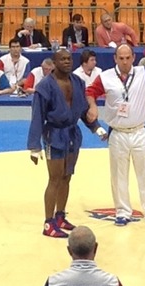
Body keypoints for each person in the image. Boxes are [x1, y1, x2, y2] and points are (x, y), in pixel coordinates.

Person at [86, 44, 145, 227]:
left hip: (140, 131)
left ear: (133, 58)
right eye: (121, 58)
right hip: (118, 133)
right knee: (118, 176)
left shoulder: (144, 73)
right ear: (115, 58)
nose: (124, 62)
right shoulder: (105, 77)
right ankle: (122, 212)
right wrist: (92, 106)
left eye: (128, 58)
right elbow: (90, 92)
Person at [27, 49, 107, 238]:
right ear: (54, 63)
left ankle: (60, 216)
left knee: (66, 176)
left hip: (72, 133)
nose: (66, 62)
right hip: (53, 135)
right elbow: (37, 116)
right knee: (54, 178)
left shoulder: (78, 82)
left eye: (69, 58)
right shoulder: (44, 86)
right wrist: (34, 145)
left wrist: (96, 127)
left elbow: (83, 109)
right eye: (62, 59)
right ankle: (48, 223)